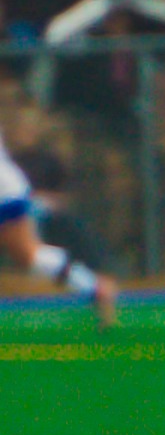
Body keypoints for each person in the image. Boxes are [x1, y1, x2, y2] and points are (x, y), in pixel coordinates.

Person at [0, 124, 117, 325]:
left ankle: (96, 287)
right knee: (29, 256)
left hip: (4, 188)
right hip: (8, 184)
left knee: (29, 254)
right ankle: (94, 287)